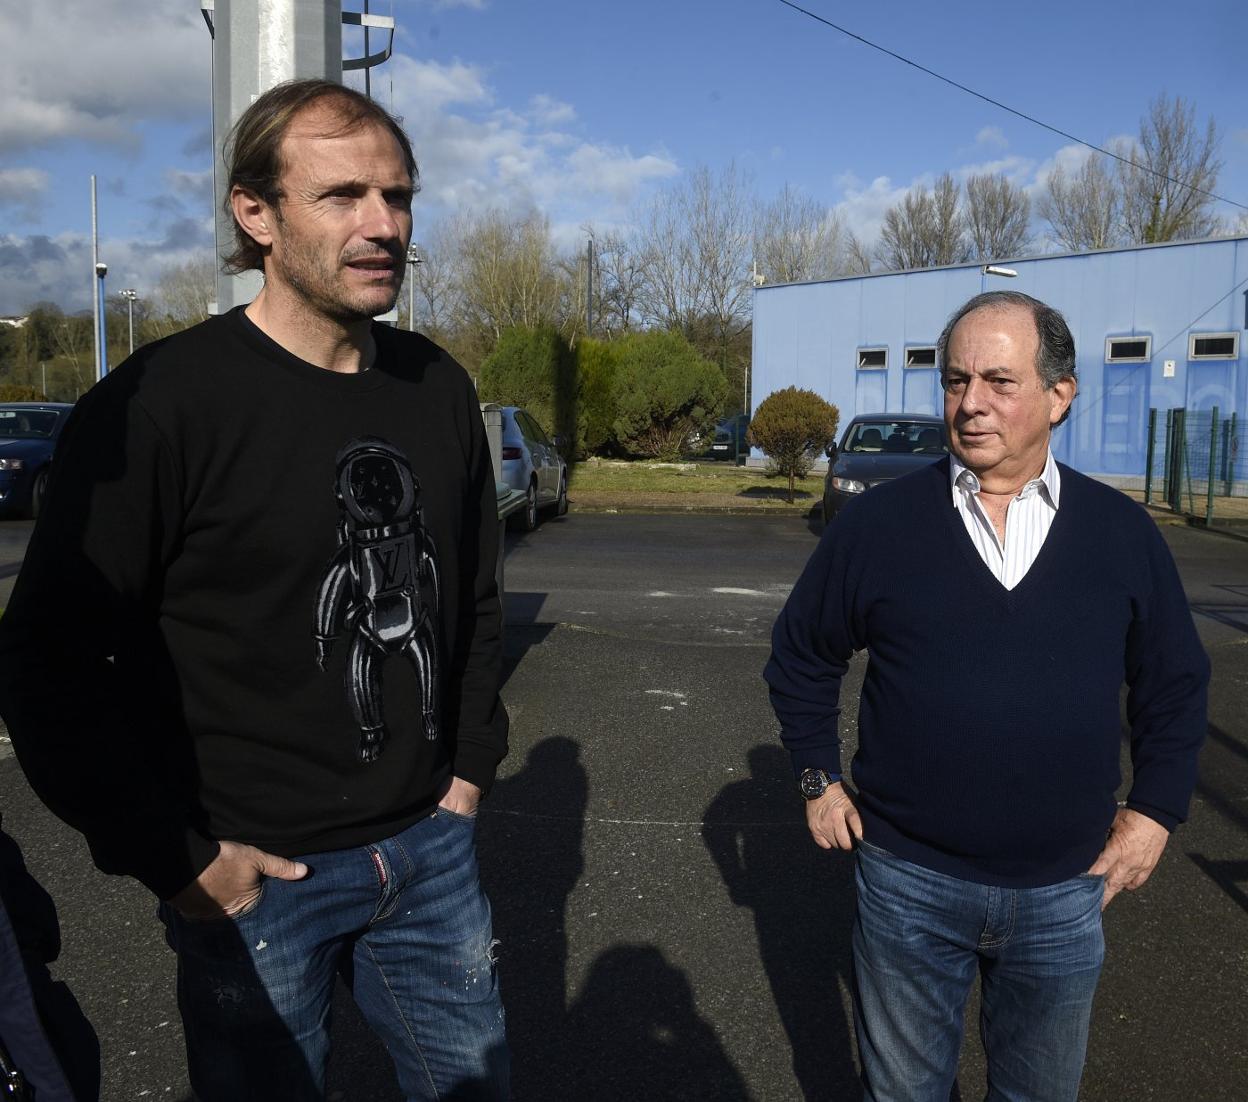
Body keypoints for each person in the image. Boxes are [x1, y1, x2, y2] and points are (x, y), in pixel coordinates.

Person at [0, 78, 509, 1100]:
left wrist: (465, 770)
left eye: (399, 197)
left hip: (428, 853)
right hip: (258, 879)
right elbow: (50, 662)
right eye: (344, 196)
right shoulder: (160, 406)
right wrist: (175, 856)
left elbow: (477, 600)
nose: (383, 226)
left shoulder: (438, 386)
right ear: (255, 214)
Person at [765, 290, 1209, 1101]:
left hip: (1066, 891)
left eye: (999, 381)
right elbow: (801, 653)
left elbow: (1174, 683)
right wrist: (815, 777)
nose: (970, 404)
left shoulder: (1121, 534)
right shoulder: (878, 527)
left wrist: (1155, 813)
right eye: (956, 379)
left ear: (1060, 395)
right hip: (907, 884)